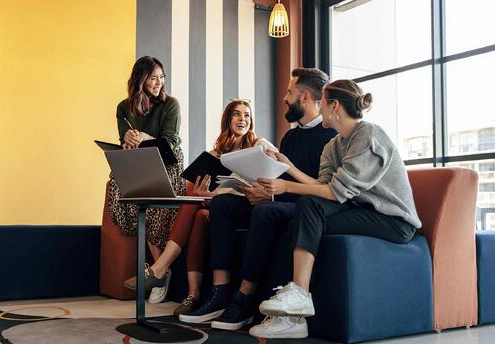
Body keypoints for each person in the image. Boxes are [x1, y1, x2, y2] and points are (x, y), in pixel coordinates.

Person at [250, 79, 421, 339]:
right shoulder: (333, 145)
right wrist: (288, 167)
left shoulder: (369, 135)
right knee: (300, 217)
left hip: (393, 220)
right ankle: (294, 317)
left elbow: (335, 192)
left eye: (323, 102)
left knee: (308, 207)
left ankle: (299, 295)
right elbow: (322, 187)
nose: (319, 108)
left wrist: (286, 186)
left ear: (334, 106)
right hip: (360, 210)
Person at [179, 68, 337, 331]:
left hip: (308, 207)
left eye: (289, 92)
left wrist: (271, 195)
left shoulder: (330, 136)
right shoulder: (290, 136)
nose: (285, 98)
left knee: (265, 211)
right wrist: (261, 190)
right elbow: (275, 176)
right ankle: (220, 292)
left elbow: (322, 189)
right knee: (222, 204)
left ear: (306, 97)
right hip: (281, 199)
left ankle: (244, 299)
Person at [123, 99, 276, 309]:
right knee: (197, 210)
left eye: (247, 115)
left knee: (197, 204)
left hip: (249, 206)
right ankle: (192, 294)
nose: (242, 119)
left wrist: (212, 195)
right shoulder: (215, 154)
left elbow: (272, 177)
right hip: (221, 206)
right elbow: (200, 189)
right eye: (237, 114)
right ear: (228, 120)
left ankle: (160, 269)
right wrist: (205, 193)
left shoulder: (259, 145)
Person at [107, 56, 186, 303]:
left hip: (167, 161)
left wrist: (143, 136)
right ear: (140, 80)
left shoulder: (171, 104)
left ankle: (159, 271)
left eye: (162, 77)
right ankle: (161, 271)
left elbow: (171, 142)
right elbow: (124, 140)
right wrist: (128, 140)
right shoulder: (123, 107)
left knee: (152, 204)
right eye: (153, 78)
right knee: (120, 188)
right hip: (139, 160)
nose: (159, 82)